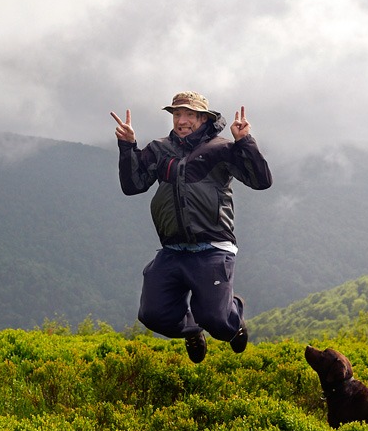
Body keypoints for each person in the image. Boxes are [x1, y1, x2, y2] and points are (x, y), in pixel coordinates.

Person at [111, 91, 273, 362]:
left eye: (189, 114)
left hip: (212, 248)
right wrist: (128, 146)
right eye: (177, 114)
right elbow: (133, 186)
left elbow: (262, 180)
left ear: (203, 118)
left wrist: (245, 141)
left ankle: (233, 315)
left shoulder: (220, 149)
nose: (181, 120)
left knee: (218, 322)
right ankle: (191, 329)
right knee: (153, 314)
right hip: (172, 250)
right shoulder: (160, 149)